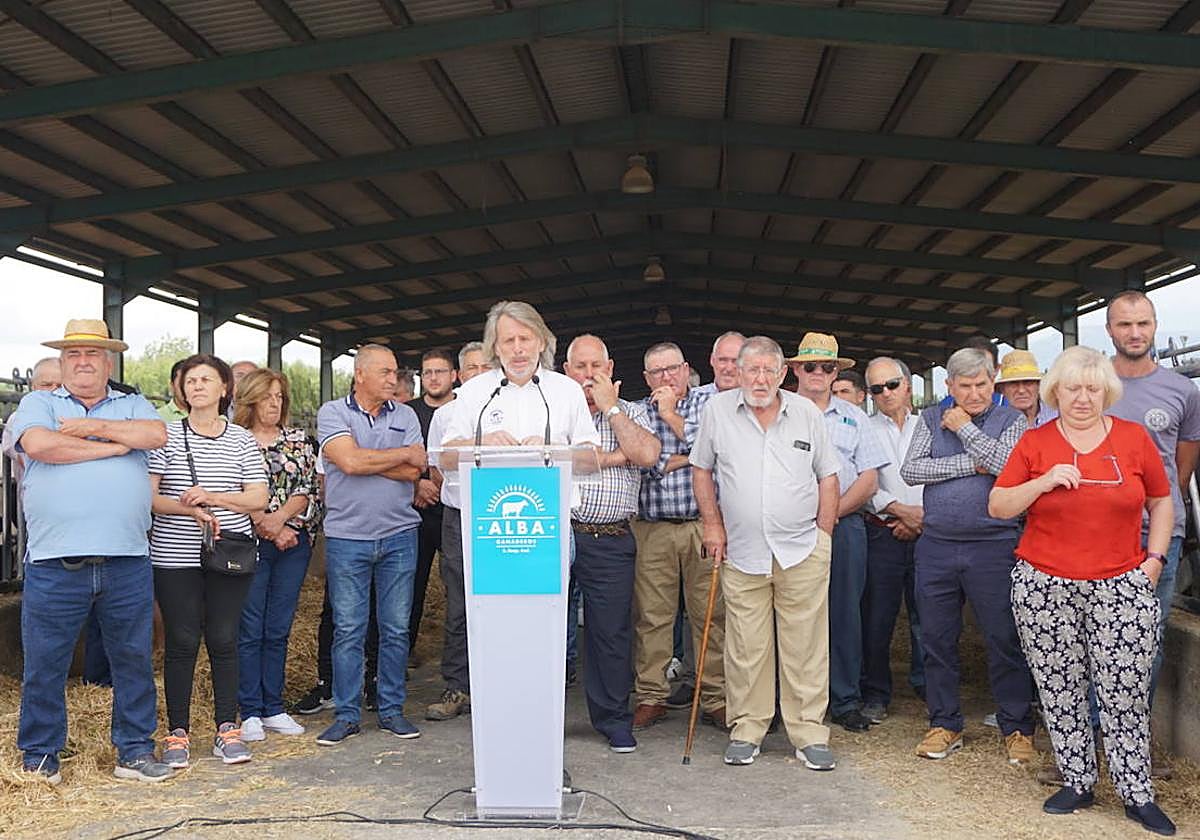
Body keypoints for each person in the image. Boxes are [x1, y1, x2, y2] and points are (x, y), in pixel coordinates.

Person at [989, 346, 1175, 836]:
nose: (1083, 398)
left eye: (1093, 388)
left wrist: (1153, 561)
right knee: (1059, 684)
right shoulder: (1035, 443)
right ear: (1056, 391)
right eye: (1073, 387)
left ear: (1107, 391)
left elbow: (1160, 501)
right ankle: (1077, 779)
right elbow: (999, 505)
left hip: (1122, 581)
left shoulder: (1134, 439)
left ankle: (1136, 791)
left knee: (1125, 688)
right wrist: (1044, 481)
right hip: (1045, 583)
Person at [10, 320, 170, 784]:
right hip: (56, 561)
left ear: (108, 362)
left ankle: (135, 751)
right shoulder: (38, 402)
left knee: (133, 659)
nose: (83, 362)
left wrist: (91, 427)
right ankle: (40, 756)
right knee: (45, 662)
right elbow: (41, 445)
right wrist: (114, 446)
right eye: (74, 354)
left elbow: (156, 436)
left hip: (126, 558)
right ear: (62, 363)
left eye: (93, 354)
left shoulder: (133, 402)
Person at [692, 336, 841, 770]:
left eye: (768, 371)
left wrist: (824, 536)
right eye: (751, 370)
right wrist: (713, 524)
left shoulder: (807, 413)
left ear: (782, 375)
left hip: (801, 550)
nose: (760, 379)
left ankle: (809, 732)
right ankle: (748, 727)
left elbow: (828, 478)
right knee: (745, 645)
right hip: (741, 550)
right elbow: (701, 469)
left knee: (806, 645)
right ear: (736, 373)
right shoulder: (717, 411)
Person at [900, 347, 1037, 766]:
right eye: (965, 387)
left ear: (993, 380)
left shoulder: (1011, 419)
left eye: (981, 385)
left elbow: (1008, 464)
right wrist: (968, 462)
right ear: (949, 386)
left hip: (994, 544)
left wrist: (964, 430)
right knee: (937, 639)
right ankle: (945, 723)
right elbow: (912, 470)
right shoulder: (927, 418)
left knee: (1003, 637)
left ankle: (1017, 728)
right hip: (937, 544)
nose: (975, 394)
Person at [149, 354, 269, 768]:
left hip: (226, 552)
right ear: (181, 391)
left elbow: (258, 497)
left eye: (206, 379)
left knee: (223, 638)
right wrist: (188, 510)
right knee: (181, 640)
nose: (197, 386)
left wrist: (215, 499)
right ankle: (177, 731)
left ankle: (226, 728)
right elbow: (149, 497)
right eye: (190, 381)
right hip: (174, 553)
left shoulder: (241, 440)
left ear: (224, 389)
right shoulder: (165, 435)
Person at [315, 345, 427, 745]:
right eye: (384, 372)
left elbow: (417, 470)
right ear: (359, 374)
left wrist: (370, 459)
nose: (392, 380)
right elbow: (348, 464)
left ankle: (391, 710)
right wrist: (396, 457)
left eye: (395, 372)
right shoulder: (333, 412)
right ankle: (346, 714)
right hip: (348, 537)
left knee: (395, 628)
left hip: (399, 534)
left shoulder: (407, 414)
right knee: (349, 628)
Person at [562, 334, 662, 752]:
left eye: (596, 367)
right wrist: (612, 457)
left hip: (611, 537)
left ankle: (613, 720)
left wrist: (611, 410)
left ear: (610, 369)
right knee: (547, 630)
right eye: (580, 367)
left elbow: (649, 454)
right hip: (560, 533)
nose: (588, 375)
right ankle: (540, 716)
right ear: (566, 372)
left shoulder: (632, 411)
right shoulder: (554, 411)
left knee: (610, 633)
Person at [1106, 290, 1200, 723]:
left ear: (1155, 326)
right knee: (1096, 635)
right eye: (1125, 324)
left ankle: (1134, 736)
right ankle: (1091, 737)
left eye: (1143, 323)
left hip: (1158, 534)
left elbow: (1182, 461)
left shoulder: (1181, 390)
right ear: (1110, 330)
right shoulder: (1092, 385)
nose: (1135, 332)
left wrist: (1162, 505)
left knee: (1148, 635)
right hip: (1099, 531)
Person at [788, 333, 885, 733]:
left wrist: (828, 517)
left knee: (844, 612)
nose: (818, 374)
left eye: (827, 367)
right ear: (795, 369)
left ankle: (844, 699)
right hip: (788, 528)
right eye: (810, 366)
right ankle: (792, 702)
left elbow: (869, 478)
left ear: (836, 372)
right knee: (792, 615)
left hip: (845, 526)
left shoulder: (855, 416)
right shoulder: (779, 411)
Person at [630, 341, 724, 732]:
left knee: (711, 617)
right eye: (657, 372)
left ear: (687, 370)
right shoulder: (637, 411)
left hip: (704, 524)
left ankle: (716, 697)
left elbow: (716, 449)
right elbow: (646, 461)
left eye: (672, 369)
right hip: (653, 528)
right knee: (652, 617)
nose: (665, 378)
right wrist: (687, 454)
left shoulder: (711, 405)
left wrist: (670, 416)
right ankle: (652, 695)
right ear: (647, 378)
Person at [235, 368, 321, 742]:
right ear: (251, 399)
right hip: (250, 542)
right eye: (268, 396)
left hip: (292, 543)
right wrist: (264, 523)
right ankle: (249, 708)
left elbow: (307, 487)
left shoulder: (298, 439)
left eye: (279, 397)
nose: (275, 403)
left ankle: (274, 706)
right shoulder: (234, 439)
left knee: (279, 626)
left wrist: (283, 522)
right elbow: (230, 487)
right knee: (250, 626)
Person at [423, 341, 488, 721]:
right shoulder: (447, 414)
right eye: (472, 369)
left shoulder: (509, 408)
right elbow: (436, 469)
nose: (479, 374)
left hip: (498, 518)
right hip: (459, 515)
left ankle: (497, 684)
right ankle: (457, 686)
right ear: (460, 375)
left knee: (501, 601)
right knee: (459, 603)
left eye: (485, 367)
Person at [860, 357, 926, 722]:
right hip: (882, 532)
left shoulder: (930, 427)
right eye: (876, 388)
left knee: (928, 616)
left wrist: (921, 520)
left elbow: (941, 476)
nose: (885, 393)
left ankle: (928, 685)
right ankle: (876, 693)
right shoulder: (863, 428)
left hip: (927, 534)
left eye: (892, 385)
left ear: (908, 385)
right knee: (878, 618)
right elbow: (863, 480)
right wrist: (901, 511)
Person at [406, 349, 458, 666]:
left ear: (454, 375)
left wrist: (440, 485)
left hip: (453, 509)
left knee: (458, 584)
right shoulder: (406, 413)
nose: (434, 378)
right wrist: (416, 485)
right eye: (427, 372)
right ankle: (404, 651)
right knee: (412, 585)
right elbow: (395, 455)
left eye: (440, 371)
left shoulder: (465, 411)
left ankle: (458, 655)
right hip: (415, 512)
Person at [995, 350, 1055, 428]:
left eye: (1028, 382)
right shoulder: (995, 425)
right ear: (1003, 390)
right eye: (1013, 383)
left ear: (1039, 386)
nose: (1021, 390)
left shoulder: (1060, 415)